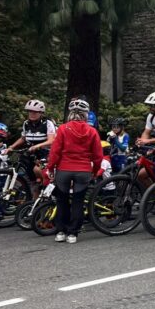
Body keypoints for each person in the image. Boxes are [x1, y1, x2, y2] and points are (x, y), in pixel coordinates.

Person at [47, 98, 103, 244]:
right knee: (78, 201)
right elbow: (98, 155)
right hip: (83, 169)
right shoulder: (92, 131)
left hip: (64, 168)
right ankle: (73, 233)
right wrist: (95, 170)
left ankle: (60, 231)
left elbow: (55, 151)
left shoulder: (63, 129)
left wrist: (50, 167)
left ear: (70, 113)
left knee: (62, 200)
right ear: (86, 114)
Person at [6, 99, 57, 197]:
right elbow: (23, 138)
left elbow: (52, 140)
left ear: (41, 113)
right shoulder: (26, 123)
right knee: (30, 175)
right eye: (30, 111)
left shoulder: (47, 123)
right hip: (30, 152)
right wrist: (11, 147)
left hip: (44, 152)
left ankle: (48, 190)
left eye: (35, 112)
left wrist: (38, 146)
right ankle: (34, 201)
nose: (32, 114)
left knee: (37, 170)